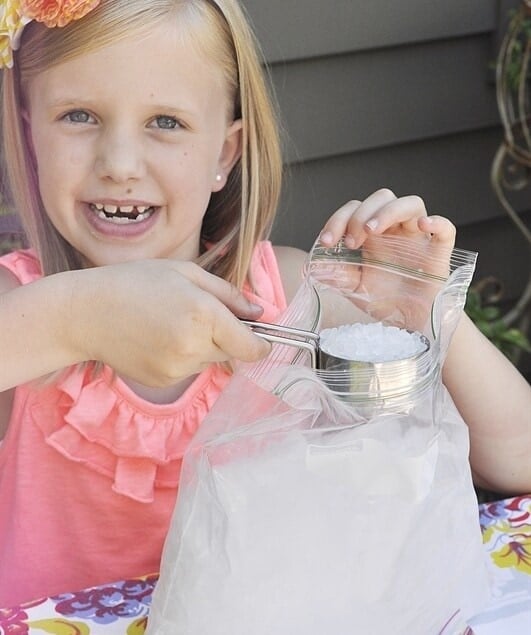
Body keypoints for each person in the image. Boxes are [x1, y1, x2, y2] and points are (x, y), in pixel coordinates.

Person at [0, 0, 528, 608]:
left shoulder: (295, 295)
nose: (119, 163)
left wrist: (424, 310)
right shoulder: (23, 306)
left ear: (226, 153)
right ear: (31, 131)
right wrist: (73, 318)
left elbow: (519, 458)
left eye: (165, 122)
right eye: (79, 115)